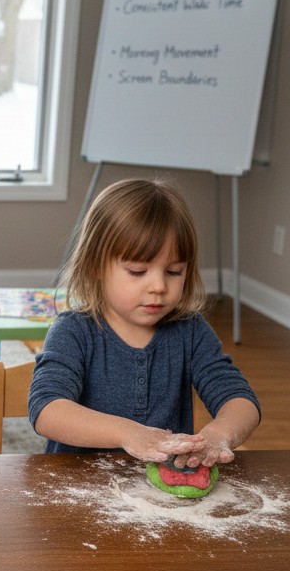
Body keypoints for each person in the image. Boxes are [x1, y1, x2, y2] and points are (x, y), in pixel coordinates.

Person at [28, 178, 260, 469]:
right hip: (79, 489)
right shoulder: (74, 332)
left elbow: (240, 399)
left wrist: (218, 434)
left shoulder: (191, 331)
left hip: (160, 492)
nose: (159, 286)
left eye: (174, 271)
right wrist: (128, 433)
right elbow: (47, 410)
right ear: (95, 267)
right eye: (138, 271)